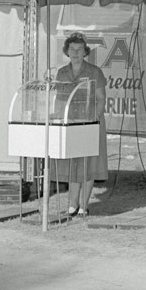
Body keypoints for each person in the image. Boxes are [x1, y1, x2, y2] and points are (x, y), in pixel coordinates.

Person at [55, 31, 107, 216]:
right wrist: (59, 120)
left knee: (89, 165)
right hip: (70, 124)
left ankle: (84, 206)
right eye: (72, 49)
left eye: (79, 49)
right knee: (73, 165)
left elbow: (101, 99)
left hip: (91, 124)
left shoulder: (95, 72)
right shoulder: (62, 73)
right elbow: (59, 100)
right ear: (67, 51)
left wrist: (94, 120)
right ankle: (72, 205)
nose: (75, 53)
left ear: (85, 51)